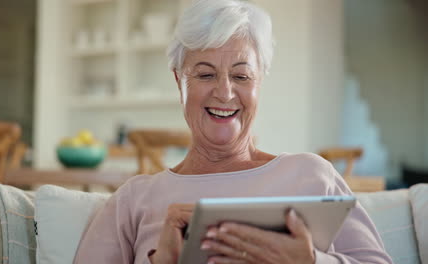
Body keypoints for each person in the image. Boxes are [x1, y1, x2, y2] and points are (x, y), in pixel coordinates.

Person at [74, 0, 393, 263]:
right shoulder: (134, 199)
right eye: (205, 74)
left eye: (241, 77)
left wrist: (311, 261)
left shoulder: (312, 176)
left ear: (260, 82)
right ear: (178, 81)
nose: (225, 93)